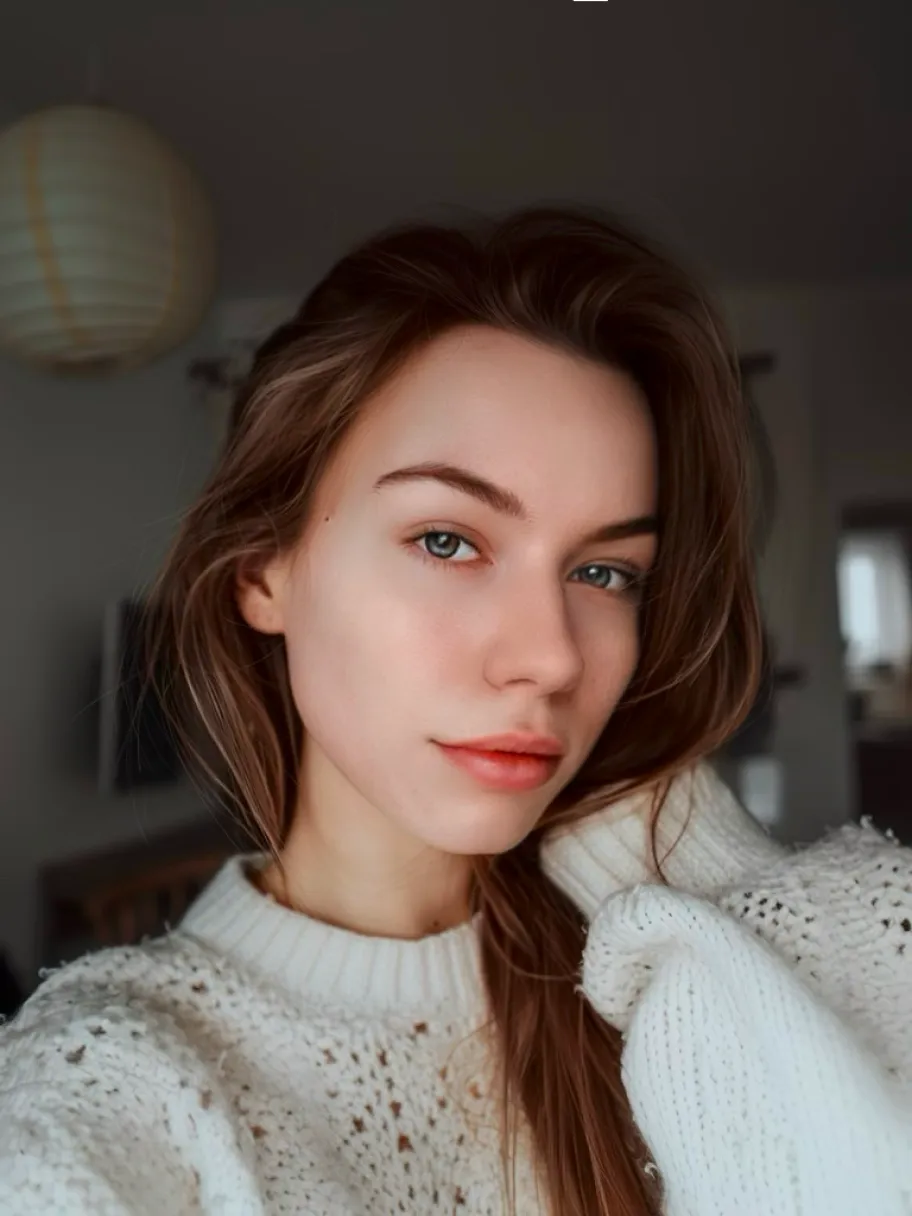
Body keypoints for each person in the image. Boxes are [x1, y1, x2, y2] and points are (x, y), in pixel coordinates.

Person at [0, 209, 909, 1216]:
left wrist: (684, 856)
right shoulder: (115, 1090)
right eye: (447, 540)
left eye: (605, 570)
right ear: (263, 567)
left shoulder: (662, 986)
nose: (554, 654)